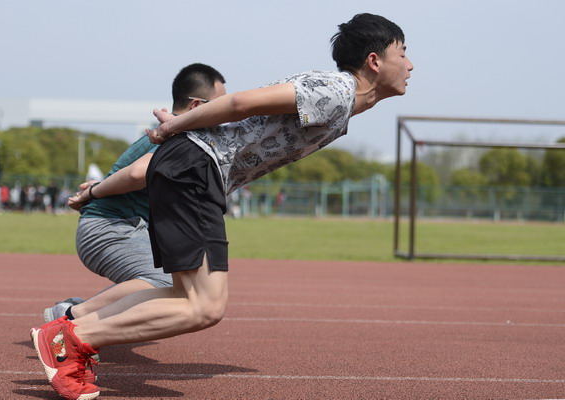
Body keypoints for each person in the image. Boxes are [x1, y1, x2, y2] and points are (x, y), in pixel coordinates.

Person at [30, 13, 413, 400]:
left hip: (193, 168)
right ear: (374, 61)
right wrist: (173, 127)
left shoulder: (342, 102)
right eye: (402, 53)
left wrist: (181, 130)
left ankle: (71, 325)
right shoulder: (337, 90)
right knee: (205, 307)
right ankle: (69, 339)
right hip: (196, 169)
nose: (410, 65)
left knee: (183, 296)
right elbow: (242, 102)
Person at [43, 63, 227, 323]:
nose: (224, 115)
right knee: (164, 281)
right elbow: (137, 173)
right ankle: (71, 316)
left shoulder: (180, 135)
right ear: (196, 105)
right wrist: (93, 192)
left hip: (119, 225)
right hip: (112, 227)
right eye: (220, 105)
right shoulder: (178, 136)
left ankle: (77, 311)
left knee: (176, 282)